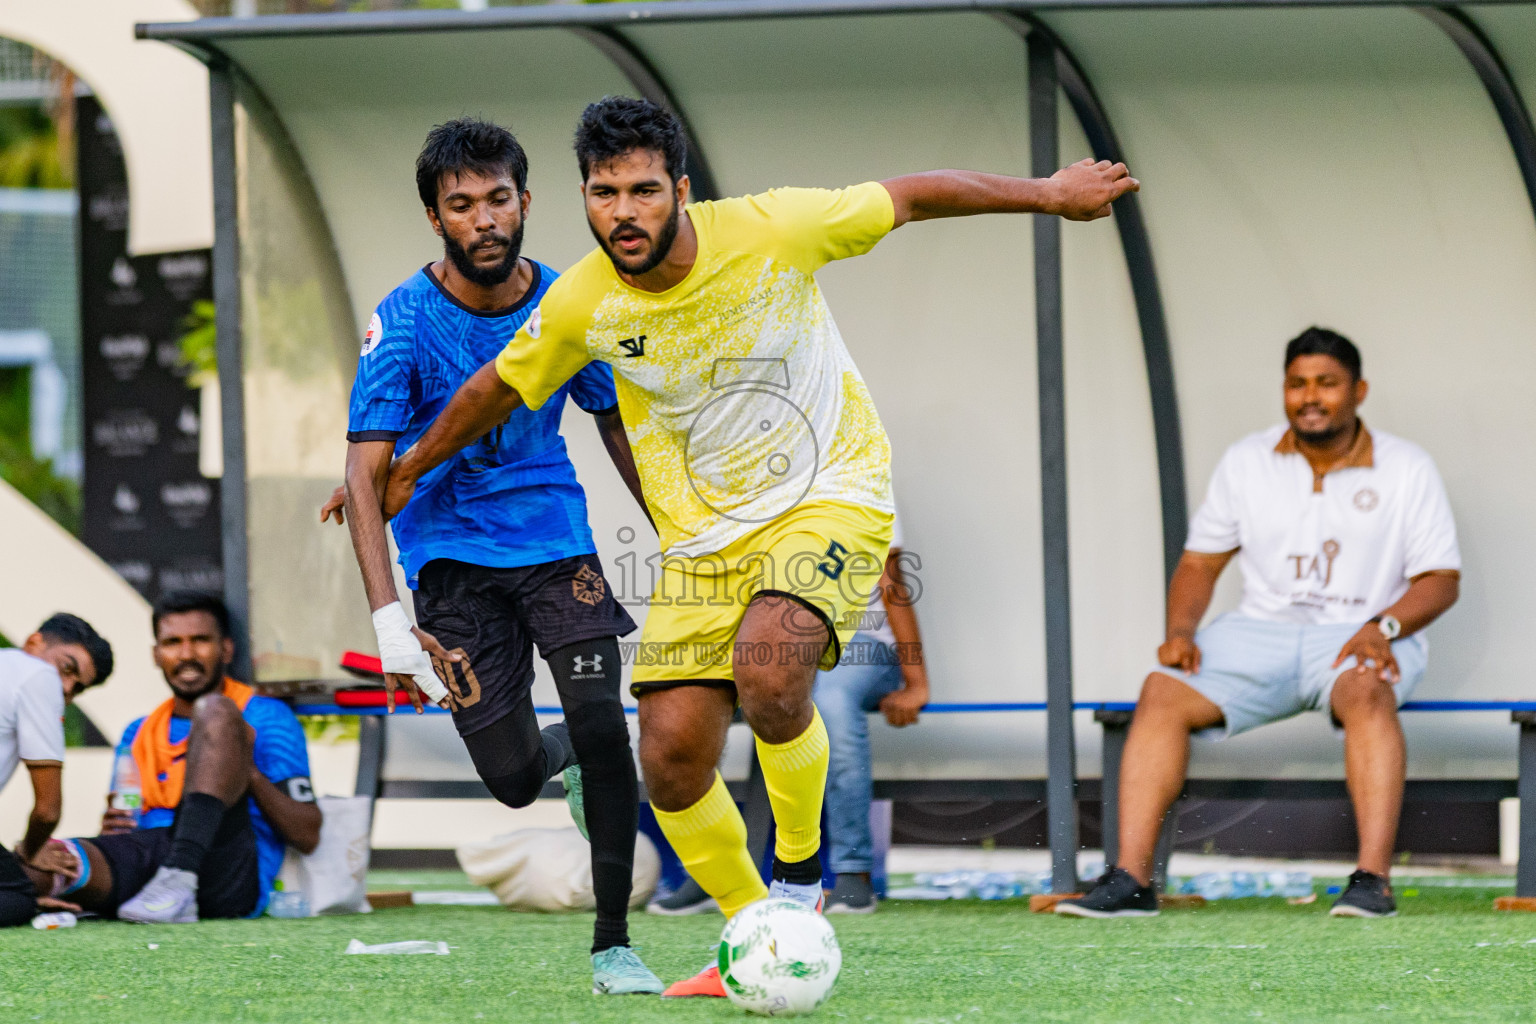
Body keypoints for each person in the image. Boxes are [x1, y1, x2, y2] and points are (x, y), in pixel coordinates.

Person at [374, 96, 1137, 996]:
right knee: (668, 754)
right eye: (605, 192)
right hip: (703, 545)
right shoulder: (581, 297)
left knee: (770, 670)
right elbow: (500, 385)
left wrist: (1048, 193)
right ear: (581, 196)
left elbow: (916, 196)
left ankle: (801, 880)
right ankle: (755, 936)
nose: (625, 212)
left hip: (831, 494)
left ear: (682, 191)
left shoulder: (774, 228)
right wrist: (411, 466)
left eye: (646, 190)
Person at [319, 118, 659, 994]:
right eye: (460, 205)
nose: (484, 220)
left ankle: (614, 942)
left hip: (555, 543)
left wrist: (674, 527)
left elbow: (614, 420)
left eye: (497, 200)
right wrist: (389, 619)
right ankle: (570, 756)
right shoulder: (400, 321)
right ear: (435, 217)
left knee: (599, 714)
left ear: (526, 201)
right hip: (451, 567)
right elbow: (363, 472)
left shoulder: (569, 302)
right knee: (512, 780)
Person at [1057, 328, 1460, 921]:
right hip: (1259, 632)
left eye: (1326, 382)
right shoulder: (1248, 459)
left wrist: (1387, 626)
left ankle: (1372, 882)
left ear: (1359, 390)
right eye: (1297, 384)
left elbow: (1440, 579)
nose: (1310, 397)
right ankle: (1132, 881)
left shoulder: (1407, 466)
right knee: (1160, 691)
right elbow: (1200, 562)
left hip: (1360, 632)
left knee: (1367, 689)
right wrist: (1182, 631)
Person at [104, 591, 321, 923]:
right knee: (54, 861)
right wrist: (112, 828)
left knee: (216, 709)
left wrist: (243, 769)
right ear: (156, 654)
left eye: (201, 640)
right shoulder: (137, 732)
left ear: (226, 649)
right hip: (147, 866)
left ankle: (181, 873)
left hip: (227, 875)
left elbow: (308, 835)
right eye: (173, 642)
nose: (187, 654)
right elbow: (125, 808)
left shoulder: (267, 718)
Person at [816, 514, 927, 913]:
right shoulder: (756, 478)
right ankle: (708, 877)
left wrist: (916, 681)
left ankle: (852, 872)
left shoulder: (860, 464)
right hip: (786, 643)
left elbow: (890, 583)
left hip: (861, 645)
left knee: (831, 702)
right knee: (707, 698)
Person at [0, 613, 113, 927]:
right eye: (67, 668)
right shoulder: (39, 677)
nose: (65, 689)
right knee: (19, 898)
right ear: (34, 643)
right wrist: (30, 851)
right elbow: (48, 811)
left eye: (77, 688)